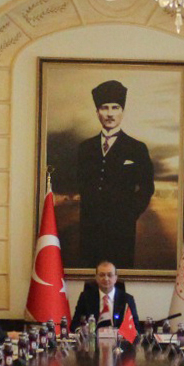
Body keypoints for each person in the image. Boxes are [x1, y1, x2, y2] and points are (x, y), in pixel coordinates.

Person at [75, 79, 155, 268]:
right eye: (104, 108)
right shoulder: (85, 148)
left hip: (122, 231)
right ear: (97, 112)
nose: (110, 113)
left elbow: (147, 187)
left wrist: (129, 214)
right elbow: (80, 182)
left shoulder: (137, 148)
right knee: (89, 277)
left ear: (122, 111)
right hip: (90, 230)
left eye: (115, 107)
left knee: (120, 277)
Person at [71, 261, 141, 333]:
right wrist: (81, 331)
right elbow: (75, 324)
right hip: (93, 339)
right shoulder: (85, 297)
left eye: (110, 275)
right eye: (102, 275)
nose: (106, 278)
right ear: (96, 278)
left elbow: (136, 327)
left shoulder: (127, 299)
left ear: (115, 278)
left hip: (118, 339)